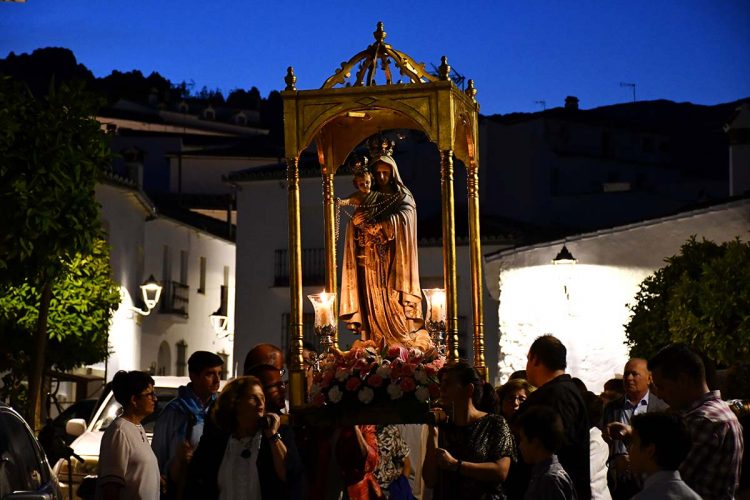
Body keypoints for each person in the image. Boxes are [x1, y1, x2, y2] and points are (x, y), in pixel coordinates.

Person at [608, 344, 744, 500]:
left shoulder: (702, 421)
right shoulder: (720, 412)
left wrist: (628, 464)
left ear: (682, 380)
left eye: (662, 387)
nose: (658, 395)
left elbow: (664, 484)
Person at [339, 137, 431, 352]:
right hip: (370, 262)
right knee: (373, 302)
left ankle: (399, 342)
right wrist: (357, 225)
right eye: (377, 173)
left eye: (385, 173)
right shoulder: (368, 198)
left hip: (394, 262)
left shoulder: (402, 196)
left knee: (393, 302)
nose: (381, 177)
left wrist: (383, 224)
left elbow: (407, 217)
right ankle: (375, 340)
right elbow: (355, 220)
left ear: (392, 172)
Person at [186, 376, 303, 499]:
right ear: (235, 403)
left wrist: (272, 435)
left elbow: (290, 475)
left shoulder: (278, 435)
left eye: (262, 398)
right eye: (253, 398)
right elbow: (197, 482)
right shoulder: (218, 441)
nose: (260, 403)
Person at [423, 361, 515, 500]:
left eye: (448, 383)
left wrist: (456, 465)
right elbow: (430, 480)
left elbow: (501, 471)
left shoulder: (494, 423)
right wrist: (432, 433)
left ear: (468, 390)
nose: (442, 389)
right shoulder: (444, 426)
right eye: (441, 383)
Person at [514, 335, 590, 499]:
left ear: (535, 359)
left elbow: (561, 445)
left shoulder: (556, 396)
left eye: (528, 359)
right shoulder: (568, 392)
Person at [152, 351, 223, 499]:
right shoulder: (174, 412)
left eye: (219, 374)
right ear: (193, 376)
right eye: (210, 374)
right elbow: (158, 456)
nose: (217, 380)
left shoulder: (221, 410)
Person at [600, 358, 667, 500]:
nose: (629, 378)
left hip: (649, 480)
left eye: (634, 374)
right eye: (626, 374)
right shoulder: (612, 408)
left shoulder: (662, 409)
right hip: (619, 482)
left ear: (649, 379)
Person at [97, 370, 160, 500]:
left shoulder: (137, 427)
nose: (155, 398)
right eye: (150, 394)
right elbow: (111, 488)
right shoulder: (119, 431)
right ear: (134, 400)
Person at [627, 412, 700, 499]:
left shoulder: (644, 497)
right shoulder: (693, 497)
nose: (629, 449)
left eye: (634, 443)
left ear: (650, 451)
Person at [516, 405, 577, 500]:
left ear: (535, 442)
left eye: (522, 439)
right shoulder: (543, 474)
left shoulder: (550, 480)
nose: (519, 446)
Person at [373, 425, 412, 499]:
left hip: (388, 491)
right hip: (366, 490)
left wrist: (401, 488)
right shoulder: (360, 431)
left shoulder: (390, 430)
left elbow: (406, 463)